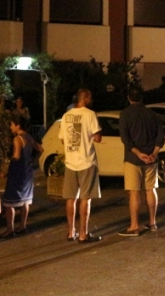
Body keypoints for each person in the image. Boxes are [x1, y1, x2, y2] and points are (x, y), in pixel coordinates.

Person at [118, 87, 165, 236]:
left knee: (134, 192)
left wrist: (139, 154)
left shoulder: (125, 114)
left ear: (128, 98)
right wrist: (153, 153)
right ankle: (152, 222)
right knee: (151, 190)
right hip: (151, 158)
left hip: (133, 159)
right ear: (142, 98)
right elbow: (161, 136)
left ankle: (134, 226)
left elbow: (125, 139)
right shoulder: (152, 113)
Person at [60, 89, 103, 243]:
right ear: (84, 99)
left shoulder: (66, 116)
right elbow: (97, 138)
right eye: (89, 97)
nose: (91, 99)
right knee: (85, 198)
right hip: (86, 161)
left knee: (70, 198)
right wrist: (91, 135)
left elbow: (63, 140)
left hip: (71, 161)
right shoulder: (90, 114)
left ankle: (70, 232)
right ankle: (83, 234)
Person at [0, 115, 43, 237]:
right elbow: (40, 149)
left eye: (12, 124)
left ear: (18, 125)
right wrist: (33, 160)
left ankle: (10, 229)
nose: (10, 127)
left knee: (9, 202)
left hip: (17, 172)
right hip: (28, 172)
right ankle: (22, 226)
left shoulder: (17, 139)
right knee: (25, 201)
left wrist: (7, 166)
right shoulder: (28, 137)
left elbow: (17, 156)